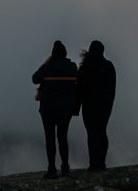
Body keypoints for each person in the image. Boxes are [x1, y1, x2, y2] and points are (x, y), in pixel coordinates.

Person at [33, 40, 78, 179]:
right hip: (66, 108)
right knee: (63, 137)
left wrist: (46, 62)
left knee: (50, 138)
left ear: (53, 54)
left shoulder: (48, 67)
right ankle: (65, 168)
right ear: (65, 53)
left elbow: (35, 79)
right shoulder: (72, 67)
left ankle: (52, 169)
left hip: (48, 108)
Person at [76, 40, 116, 172]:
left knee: (92, 133)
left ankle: (94, 164)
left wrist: (76, 107)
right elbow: (112, 87)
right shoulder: (109, 66)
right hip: (106, 106)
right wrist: (109, 103)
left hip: (89, 106)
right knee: (102, 131)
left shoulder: (85, 67)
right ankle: (102, 163)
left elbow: (80, 90)